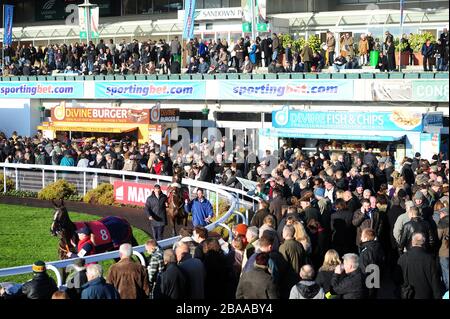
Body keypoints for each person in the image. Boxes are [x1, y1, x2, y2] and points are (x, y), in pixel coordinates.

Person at [396, 233, 441, 299]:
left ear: (412, 242)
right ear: (424, 243)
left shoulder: (403, 258)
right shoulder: (430, 259)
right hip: (425, 295)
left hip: (407, 294)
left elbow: (397, 278)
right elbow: (435, 283)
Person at [359, 228, 385, 299]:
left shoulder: (365, 252)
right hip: (377, 278)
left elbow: (363, 269)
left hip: (368, 282)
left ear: (366, 238)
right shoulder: (378, 247)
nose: (360, 238)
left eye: (362, 236)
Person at [437, 207, 449, 291]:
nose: (439, 215)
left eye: (440, 214)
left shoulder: (442, 223)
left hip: (444, 251)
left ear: (444, 213)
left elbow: (438, 237)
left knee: (446, 271)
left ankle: (447, 290)